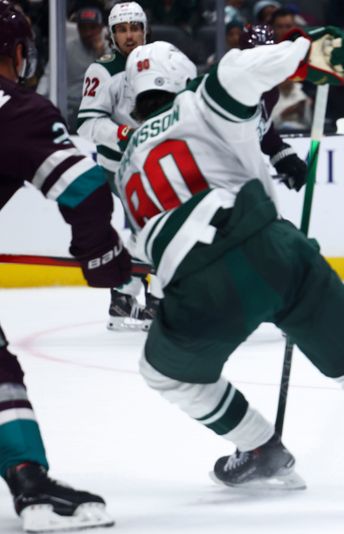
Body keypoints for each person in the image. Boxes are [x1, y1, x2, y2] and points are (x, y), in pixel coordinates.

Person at [113, 37, 344, 501]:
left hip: (198, 287)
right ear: (181, 78)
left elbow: (147, 248)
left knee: (163, 371)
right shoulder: (197, 102)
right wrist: (304, 52)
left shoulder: (125, 164)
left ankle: (260, 449)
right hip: (274, 247)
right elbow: (236, 71)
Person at [0, 1, 129, 530]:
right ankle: (29, 483)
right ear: (18, 52)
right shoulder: (18, 110)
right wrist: (101, 256)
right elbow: (84, 186)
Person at [75, 1, 157, 331]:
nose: (129, 35)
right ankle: (141, 299)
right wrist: (124, 134)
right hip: (121, 166)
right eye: (122, 30)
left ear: (144, 30)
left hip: (156, 162)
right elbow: (86, 123)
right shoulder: (103, 70)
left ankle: (124, 298)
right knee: (151, 227)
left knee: (153, 228)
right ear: (112, 34)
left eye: (135, 27)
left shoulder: (160, 62)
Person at [239, 24, 308, 191]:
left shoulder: (269, 91)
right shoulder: (228, 88)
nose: (263, 60)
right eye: (255, 54)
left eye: (267, 54)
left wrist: (282, 154)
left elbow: (262, 127)